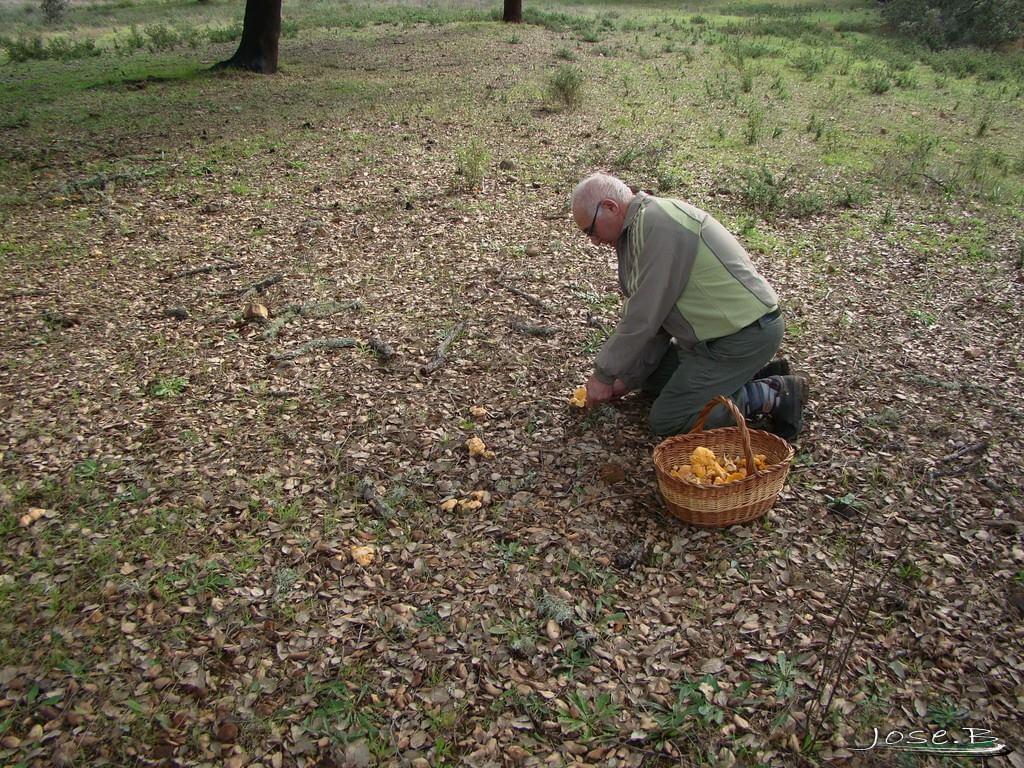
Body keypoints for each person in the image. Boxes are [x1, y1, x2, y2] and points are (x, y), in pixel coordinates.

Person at [570, 172, 808, 440]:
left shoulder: (658, 225)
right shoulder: (637, 228)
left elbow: (643, 317)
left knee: (669, 418)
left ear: (611, 207)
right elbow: (658, 322)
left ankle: (772, 393)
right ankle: (743, 377)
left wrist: (603, 375)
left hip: (742, 336)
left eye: (590, 230)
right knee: (647, 376)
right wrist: (626, 378)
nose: (594, 240)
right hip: (710, 339)